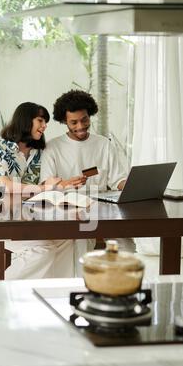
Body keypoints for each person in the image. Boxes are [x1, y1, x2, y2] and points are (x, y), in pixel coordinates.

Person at [40, 90, 134, 274]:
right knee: (81, 241)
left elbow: (118, 180)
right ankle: (82, 288)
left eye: (84, 119)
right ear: (64, 122)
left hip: (103, 208)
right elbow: (46, 187)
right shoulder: (53, 147)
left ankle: (121, 289)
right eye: (74, 122)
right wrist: (65, 184)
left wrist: (132, 185)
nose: (81, 126)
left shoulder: (103, 144)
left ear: (90, 115)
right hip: (69, 208)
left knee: (126, 246)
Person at [0, 101, 75, 279]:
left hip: (27, 217)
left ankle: (56, 293)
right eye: (40, 120)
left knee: (66, 239)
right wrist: (43, 187)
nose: (44, 126)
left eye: (45, 122)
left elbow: (44, 184)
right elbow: (3, 187)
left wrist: (63, 184)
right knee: (42, 250)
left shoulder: (38, 153)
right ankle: (1, 292)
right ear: (25, 120)